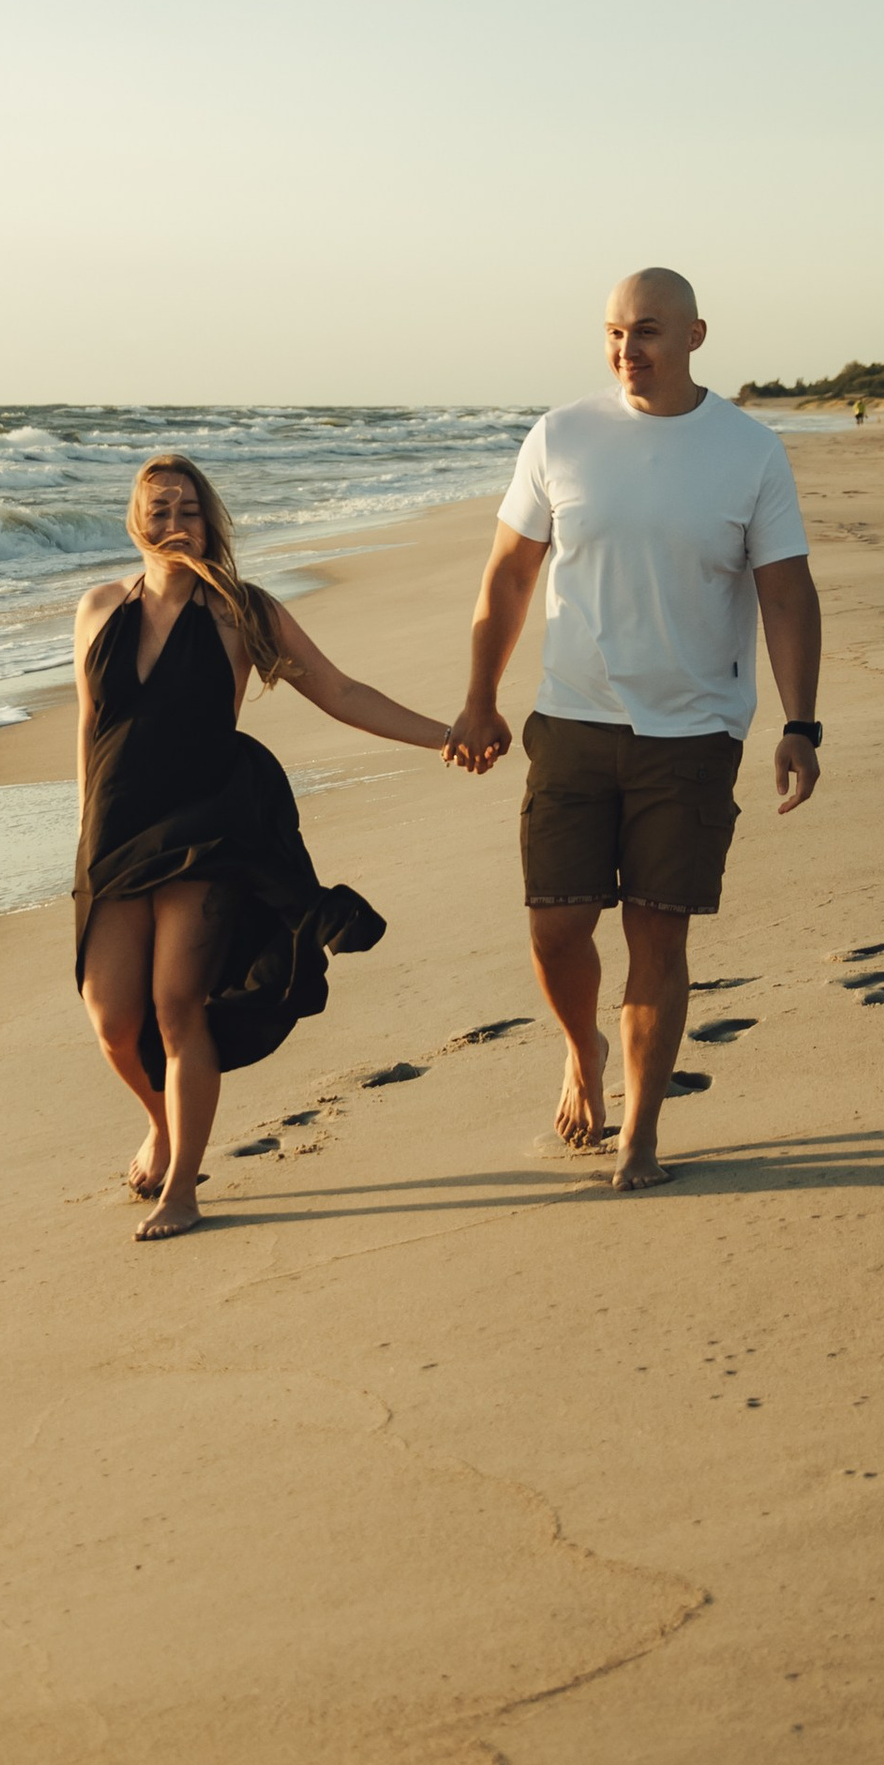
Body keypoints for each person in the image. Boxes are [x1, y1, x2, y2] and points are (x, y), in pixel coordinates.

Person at [450, 270, 823, 1193]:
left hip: (693, 736)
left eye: (647, 331)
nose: (627, 349)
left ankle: (641, 1133)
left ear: (696, 335)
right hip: (572, 721)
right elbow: (507, 576)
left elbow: (786, 591)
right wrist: (479, 695)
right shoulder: (561, 436)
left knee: (660, 939)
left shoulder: (748, 450)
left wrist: (801, 722)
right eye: (614, 332)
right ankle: (583, 1055)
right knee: (555, 927)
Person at [76, 456, 460, 1241]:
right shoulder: (97, 607)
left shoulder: (239, 611)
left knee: (176, 1005)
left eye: (188, 507)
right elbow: (92, 729)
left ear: (210, 521)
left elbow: (340, 690)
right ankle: (162, 1121)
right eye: (158, 508)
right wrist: (85, 835)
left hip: (208, 824)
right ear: (134, 519)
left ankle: (181, 1188)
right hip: (117, 829)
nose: (173, 520)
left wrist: (444, 736)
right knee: (112, 1017)